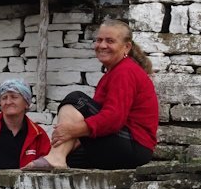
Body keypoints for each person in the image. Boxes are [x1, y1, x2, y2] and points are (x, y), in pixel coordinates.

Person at [25, 19, 159, 170]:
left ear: (126, 47)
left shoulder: (125, 71)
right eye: (99, 40)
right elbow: (98, 119)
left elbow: (114, 118)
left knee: (76, 99)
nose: (102, 45)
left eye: (110, 41)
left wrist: (72, 130)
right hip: (124, 145)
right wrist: (68, 138)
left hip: (134, 146)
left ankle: (56, 157)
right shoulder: (112, 73)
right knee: (71, 158)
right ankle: (58, 156)